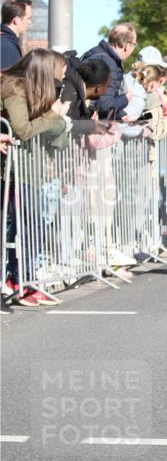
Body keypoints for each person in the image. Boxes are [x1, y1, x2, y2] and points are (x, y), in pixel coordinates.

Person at [1, 50, 71, 309]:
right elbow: (21, 129)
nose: (60, 82)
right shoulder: (15, 88)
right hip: (15, 171)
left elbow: (57, 139)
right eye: (57, 76)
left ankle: (22, 279)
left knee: (31, 226)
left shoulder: (39, 93)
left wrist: (60, 122)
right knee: (21, 227)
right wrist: (53, 116)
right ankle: (19, 281)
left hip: (32, 171)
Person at [81, 24, 138, 120]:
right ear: (128, 46)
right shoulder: (108, 63)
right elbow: (104, 105)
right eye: (134, 45)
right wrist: (126, 99)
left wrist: (122, 115)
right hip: (90, 125)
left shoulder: (96, 53)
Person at [0, 0, 32, 70]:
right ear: (16, 20)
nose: (30, 22)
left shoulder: (8, 42)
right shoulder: (6, 46)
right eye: (28, 18)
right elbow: (7, 80)